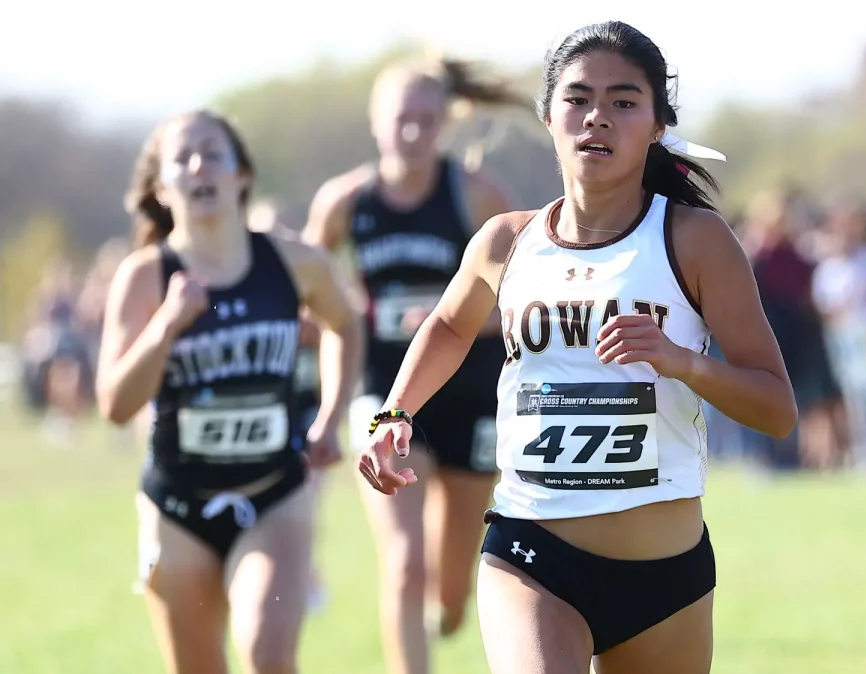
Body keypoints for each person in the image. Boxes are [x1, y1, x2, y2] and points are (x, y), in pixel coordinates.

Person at [359, 21, 797, 674]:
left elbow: (777, 409)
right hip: (532, 555)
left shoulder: (695, 240)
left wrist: (681, 362)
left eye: (624, 102)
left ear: (656, 125)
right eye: (578, 98)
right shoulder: (504, 242)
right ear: (548, 115)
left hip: (664, 579)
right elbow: (450, 327)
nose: (598, 117)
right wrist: (394, 413)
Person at [96, 109, 363, 674]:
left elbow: (345, 324)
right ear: (162, 189)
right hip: (177, 508)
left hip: (274, 495)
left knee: (269, 653)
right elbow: (115, 406)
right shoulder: (144, 277)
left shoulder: (293, 262)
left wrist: (331, 416)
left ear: (241, 175)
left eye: (213, 153)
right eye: (183, 158)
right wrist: (166, 326)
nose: (200, 166)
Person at [303, 55, 522, 673]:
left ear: (444, 125)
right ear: (377, 125)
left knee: (451, 594)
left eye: (426, 121)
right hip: (386, 394)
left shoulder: (480, 195)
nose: (412, 134)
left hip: (472, 393)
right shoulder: (345, 203)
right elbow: (309, 294)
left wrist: (442, 318)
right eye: (401, 120)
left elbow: (527, 304)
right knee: (402, 560)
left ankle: (444, 614)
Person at [248, 197, 330, 611]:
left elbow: (336, 329)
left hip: (308, 413)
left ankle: (303, 575)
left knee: (305, 502)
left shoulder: (311, 283)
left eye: (283, 230)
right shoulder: (244, 289)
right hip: (264, 419)